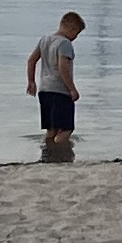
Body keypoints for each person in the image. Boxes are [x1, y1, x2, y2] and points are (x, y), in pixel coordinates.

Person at [25, 10, 84, 153]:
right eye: (76, 34)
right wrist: (72, 89)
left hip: (44, 90)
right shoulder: (65, 44)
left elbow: (31, 60)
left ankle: (47, 151)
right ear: (72, 29)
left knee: (51, 128)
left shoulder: (45, 39)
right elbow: (63, 67)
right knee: (67, 128)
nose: (75, 38)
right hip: (60, 91)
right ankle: (57, 150)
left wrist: (31, 82)